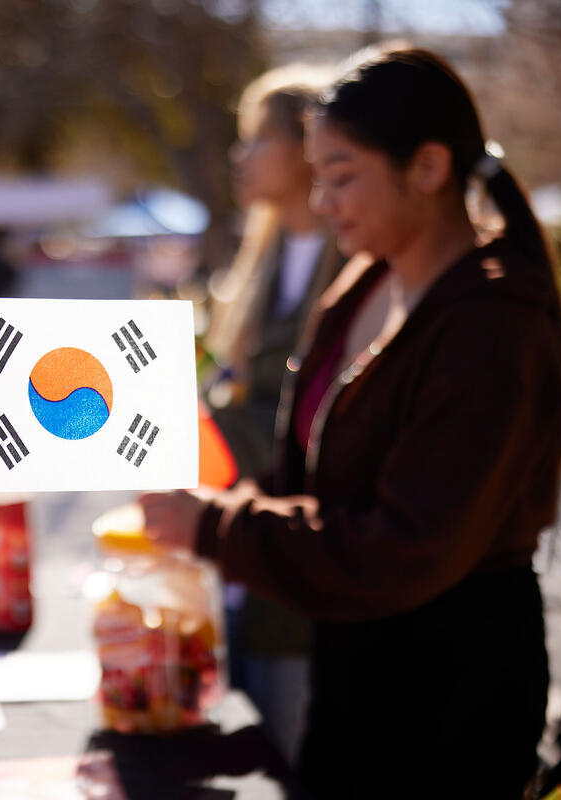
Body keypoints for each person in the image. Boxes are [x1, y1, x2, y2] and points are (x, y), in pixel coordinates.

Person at [141, 48, 561, 798]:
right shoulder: (367, 278)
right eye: (317, 177)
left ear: (429, 168)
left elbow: (399, 547)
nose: (323, 199)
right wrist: (221, 513)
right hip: (355, 662)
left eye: (342, 176)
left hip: (447, 688)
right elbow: (313, 469)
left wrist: (217, 530)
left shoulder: (490, 323)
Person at [202, 64, 343, 762]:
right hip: (245, 549)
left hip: (307, 566)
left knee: (297, 751)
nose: (241, 156)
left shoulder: (350, 255)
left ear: (307, 146)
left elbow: (310, 420)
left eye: (257, 138)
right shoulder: (266, 254)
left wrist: (208, 426)